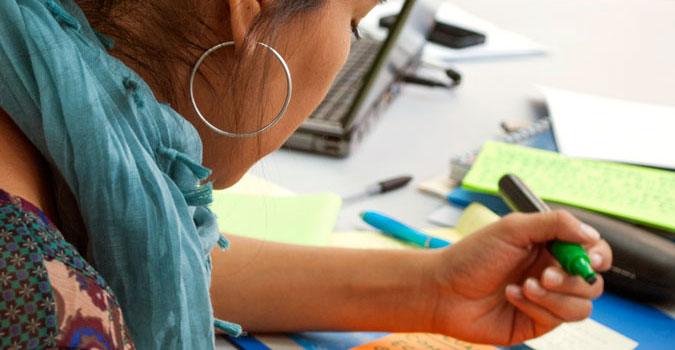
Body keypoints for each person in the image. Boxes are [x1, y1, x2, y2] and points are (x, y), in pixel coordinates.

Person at [0, 0, 612, 349]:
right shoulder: (43, 303)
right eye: (354, 21)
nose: (348, 45)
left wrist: (432, 288)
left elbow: (152, 255)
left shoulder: (37, 106)